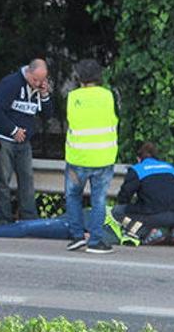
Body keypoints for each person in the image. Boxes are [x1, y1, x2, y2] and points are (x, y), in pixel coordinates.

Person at [0, 58, 54, 223]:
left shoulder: (38, 88)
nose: (38, 83)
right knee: (3, 179)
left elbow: (47, 116)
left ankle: (29, 218)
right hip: (2, 137)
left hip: (23, 140)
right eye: (35, 79)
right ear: (28, 72)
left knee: (27, 179)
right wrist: (13, 130)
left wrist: (44, 95)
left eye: (41, 80)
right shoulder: (11, 83)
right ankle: (3, 219)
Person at [63, 58, 119, 254]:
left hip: (77, 158)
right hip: (102, 158)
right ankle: (95, 241)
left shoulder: (72, 97)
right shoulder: (109, 96)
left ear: (79, 78)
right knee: (99, 200)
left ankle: (77, 236)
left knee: (73, 196)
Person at [113, 142, 174, 245]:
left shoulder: (137, 169)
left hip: (154, 216)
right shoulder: (169, 167)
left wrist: (134, 204)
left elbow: (124, 196)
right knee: (166, 206)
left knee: (117, 211)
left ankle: (146, 232)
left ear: (138, 158)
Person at [0, 206, 139, 247]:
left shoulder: (114, 233)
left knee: (26, 228)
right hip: (69, 220)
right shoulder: (117, 215)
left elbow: (91, 237)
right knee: (26, 225)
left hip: (69, 226)